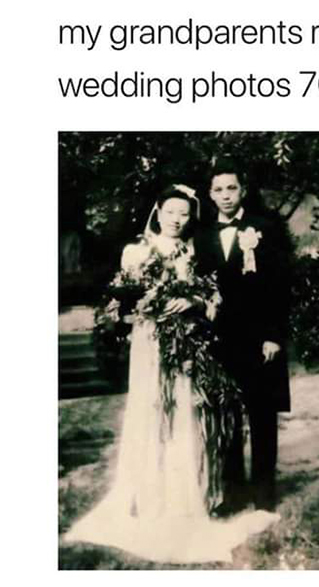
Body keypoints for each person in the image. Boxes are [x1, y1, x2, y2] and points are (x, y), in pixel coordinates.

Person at [63, 185, 279, 563]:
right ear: (158, 212)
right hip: (150, 344)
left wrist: (191, 300)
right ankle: (147, 495)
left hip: (185, 346)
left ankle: (184, 495)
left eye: (184, 214)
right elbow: (121, 303)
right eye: (171, 212)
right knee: (151, 410)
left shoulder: (193, 250)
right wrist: (147, 305)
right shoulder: (136, 251)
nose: (177, 220)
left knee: (182, 413)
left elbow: (212, 296)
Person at [194, 162, 291, 514]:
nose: (225, 196)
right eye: (218, 190)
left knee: (262, 415)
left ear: (242, 190)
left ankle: (264, 494)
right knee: (227, 418)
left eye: (231, 188)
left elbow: (281, 286)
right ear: (210, 195)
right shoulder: (202, 236)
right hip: (220, 341)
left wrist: (274, 336)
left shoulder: (265, 229)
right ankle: (233, 494)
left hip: (259, 338)